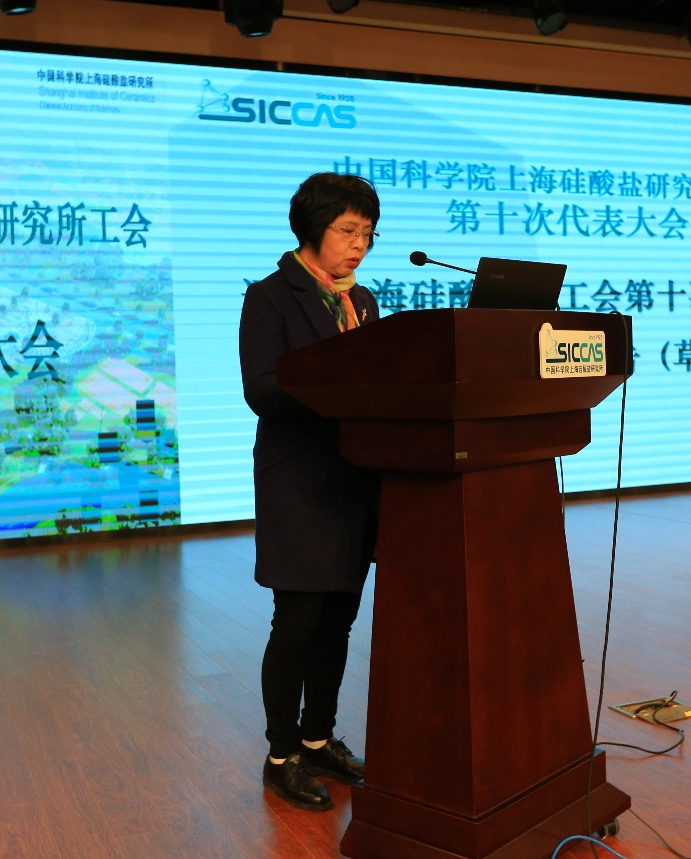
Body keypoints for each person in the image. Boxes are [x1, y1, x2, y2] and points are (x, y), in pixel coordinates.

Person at [238, 172, 381, 812]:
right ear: (312, 228)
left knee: (339, 620)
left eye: (368, 234)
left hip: (357, 476)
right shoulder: (270, 296)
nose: (359, 245)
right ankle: (281, 755)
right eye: (348, 231)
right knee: (298, 621)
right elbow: (262, 390)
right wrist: (341, 380)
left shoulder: (363, 301)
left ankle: (319, 739)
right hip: (299, 479)